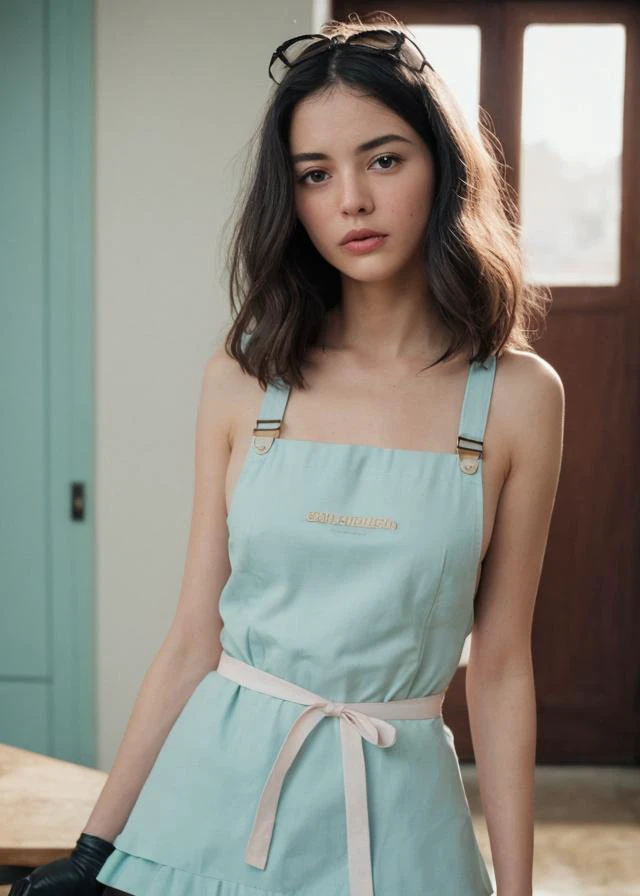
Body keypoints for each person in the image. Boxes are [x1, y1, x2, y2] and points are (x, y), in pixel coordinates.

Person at [10, 10, 564, 896]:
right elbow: (195, 638)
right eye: (316, 173)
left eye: (384, 159)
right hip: (208, 810)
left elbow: (499, 669)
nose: (351, 199)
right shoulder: (245, 376)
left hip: (403, 830)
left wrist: (519, 889)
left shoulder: (521, 399)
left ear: (443, 167)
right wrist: (93, 849)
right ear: (292, 195)